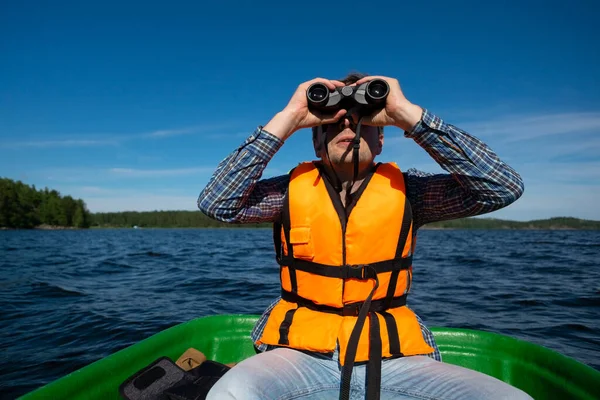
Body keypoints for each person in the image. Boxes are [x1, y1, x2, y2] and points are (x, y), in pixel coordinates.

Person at [197, 73, 530, 400]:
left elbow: (501, 187)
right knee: (231, 392)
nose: (347, 125)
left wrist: (407, 115)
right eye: (333, 121)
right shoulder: (287, 192)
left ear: (381, 139)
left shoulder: (411, 191)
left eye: (363, 119)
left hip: (393, 356)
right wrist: (288, 119)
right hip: (298, 353)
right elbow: (218, 203)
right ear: (315, 140)